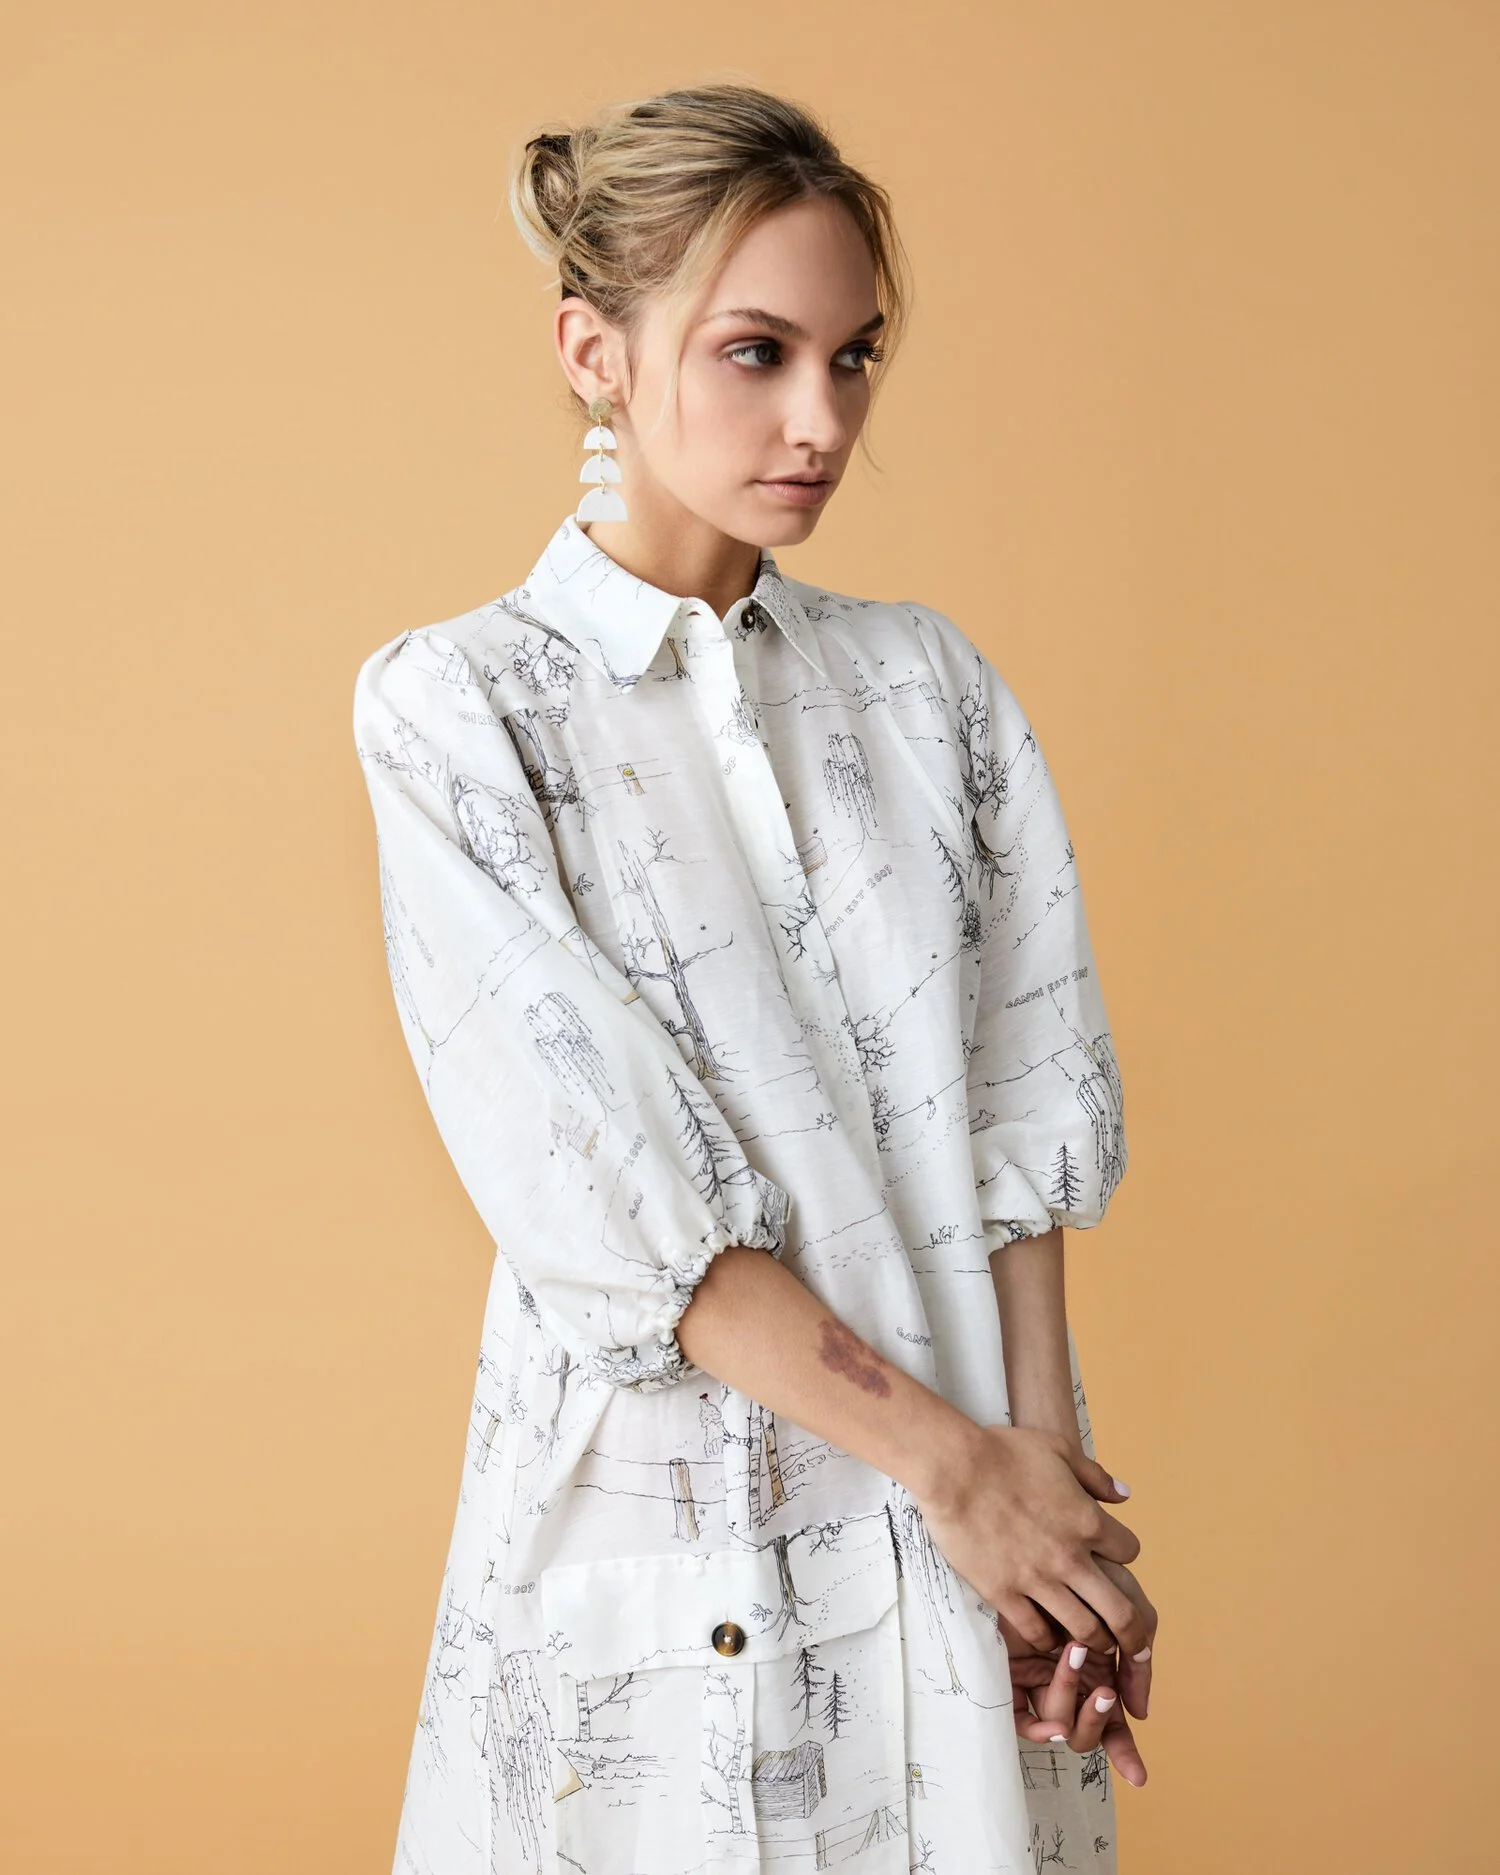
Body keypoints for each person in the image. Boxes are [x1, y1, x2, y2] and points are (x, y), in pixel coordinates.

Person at [351, 80, 1156, 1875]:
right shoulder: (462, 711)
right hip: (665, 1552)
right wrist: (960, 1474)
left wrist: (1052, 1529)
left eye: (855, 358)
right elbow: (607, 1195)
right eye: (756, 352)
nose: (819, 420)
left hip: (963, 1536)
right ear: (594, 351)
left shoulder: (930, 689)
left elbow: (1027, 1113)